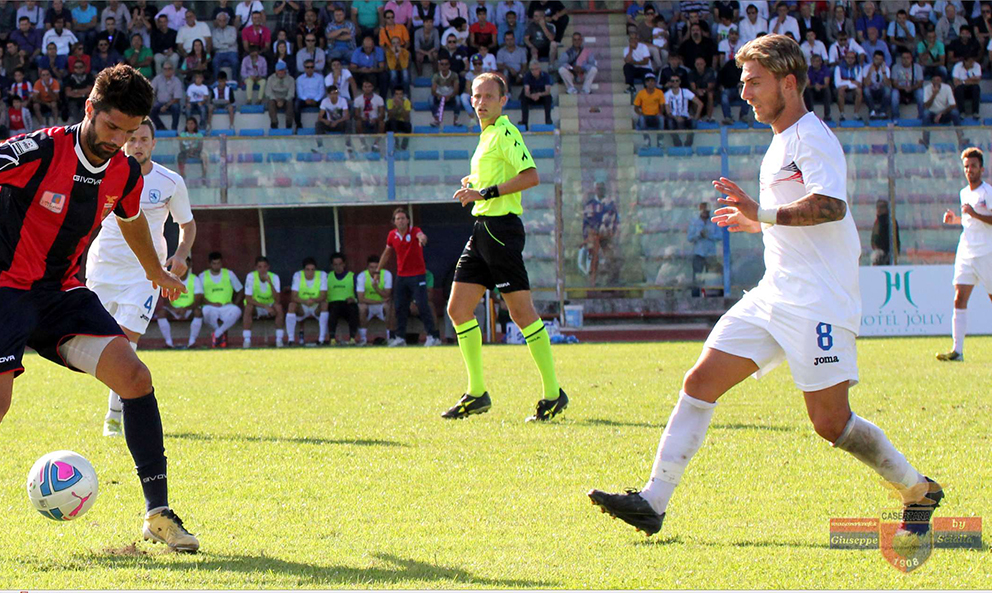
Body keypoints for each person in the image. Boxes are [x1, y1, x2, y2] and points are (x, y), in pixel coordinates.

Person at [589, 34, 943, 540]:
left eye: (754, 82)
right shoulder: (780, 141)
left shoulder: (811, 138)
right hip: (774, 293)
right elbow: (798, 214)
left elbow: (831, 206)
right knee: (700, 382)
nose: (745, 92)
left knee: (830, 423)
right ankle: (653, 501)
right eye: (743, 82)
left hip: (819, 302)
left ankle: (917, 489)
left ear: (788, 83)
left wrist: (764, 213)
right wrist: (760, 223)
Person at [0, 65, 200, 559]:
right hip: (2, 289)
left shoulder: (124, 171)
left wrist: (155, 270)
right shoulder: (39, 150)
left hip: (61, 294)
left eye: (130, 131)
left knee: (135, 377)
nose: (118, 140)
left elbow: (131, 217)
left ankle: (158, 514)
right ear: (90, 109)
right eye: (111, 126)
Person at [443, 71, 567, 422]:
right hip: (483, 229)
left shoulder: (505, 131)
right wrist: (476, 182)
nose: (481, 102)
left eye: (488, 96)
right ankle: (477, 393)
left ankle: (553, 394)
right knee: (458, 309)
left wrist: (484, 192)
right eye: (476, 96)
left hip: (501, 231)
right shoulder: (487, 135)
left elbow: (531, 176)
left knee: (522, 314)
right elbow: (496, 176)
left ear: (503, 101)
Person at [86, 117, 195, 435]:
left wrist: (180, 255)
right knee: (99, 343)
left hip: (145, 274)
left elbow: (187, 224)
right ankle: (117, 406)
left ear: (153, 144)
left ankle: (114, 417)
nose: (137, 145)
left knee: (126, 342)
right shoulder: (104, 172)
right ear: (123, 142)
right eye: (132, 139)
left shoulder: (170, 181)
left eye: (144, 140)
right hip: (103, 269)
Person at [937, 148, 992, 362]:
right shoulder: (964, 193)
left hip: (986, 252)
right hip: (966, 251)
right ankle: (957, 351)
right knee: (959, 297)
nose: (970, 170)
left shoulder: (987, 192)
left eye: (973, 166)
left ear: (982, 169)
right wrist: (955, 220)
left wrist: (974, 213)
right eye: (966, 167)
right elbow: (969, 221)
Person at [375, 208, 441, 347]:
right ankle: (400, 337)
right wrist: (377, 271)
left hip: (417, 275)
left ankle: (433, 336)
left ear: (408, 220)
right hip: (401, 276)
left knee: (422, 304)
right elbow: (387, 253)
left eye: (403, 218)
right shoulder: (392, 235)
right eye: (398, 219)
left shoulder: (414, 231)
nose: (401, 221)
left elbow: (421, 236)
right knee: (399, 306)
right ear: (394, 222)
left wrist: (422, 239)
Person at [190, 252, 244, 348]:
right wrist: (211, 303)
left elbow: (240, 290)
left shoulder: (229, 274)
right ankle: (219, 334)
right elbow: (200, 295)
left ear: (221, 263)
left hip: (226, 306)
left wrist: (234, 303)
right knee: (205, 311)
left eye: (218, 263)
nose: (216, 266)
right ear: (210, 264)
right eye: (214, 263)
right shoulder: (203, 276)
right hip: (210, 307)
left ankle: (217, 334)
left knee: (237, 311)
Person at [242, 255, 286, 348]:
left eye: (265, 267)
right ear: (256, 268)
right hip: (257, 306)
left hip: (270, 305)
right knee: (248, 307)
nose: (262, 269)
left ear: (268, 267)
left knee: (278, 307)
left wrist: (270, 283)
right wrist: (265, 307)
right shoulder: (251, 276)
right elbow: (248, 298)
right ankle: (247, 340)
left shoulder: (274, 277)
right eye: (260, 267)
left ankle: (279, 340)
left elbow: (277, 299)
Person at [285, 257, 329, 346]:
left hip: (316, 305)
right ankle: (290, 340)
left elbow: (323, 296)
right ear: (304, 270)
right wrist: (305, 301)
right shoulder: (298, 275)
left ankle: (321, 339)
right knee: (291, 305)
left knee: (325, 304)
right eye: (308, 269)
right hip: (302, 306)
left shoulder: (322, 275)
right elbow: (293, 296)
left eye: (313, 270)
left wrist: (313, 300)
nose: (310, 272)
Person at [325, 252, 361, 345]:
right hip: (333, 304)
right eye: (335, 265)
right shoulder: (327, 277)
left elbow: (360, 292)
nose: (338, 267)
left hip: (348, 303)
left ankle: (352, 338)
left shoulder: (352, 276)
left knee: (353, 310)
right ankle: (332, 338)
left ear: (344, 264)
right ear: (332, 266)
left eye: (340, 264)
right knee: (333, 311)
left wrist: (354, 299)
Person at [686, 202, 720, 297]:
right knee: (697, 278)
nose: (705, 212)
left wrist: (708, 236)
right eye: (703, 210)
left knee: (712, 277)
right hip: (699, 254)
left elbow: (720, 236)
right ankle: (696, 298)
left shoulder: (714, 222)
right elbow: (690, 238)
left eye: (706, 210)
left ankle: (711, 297)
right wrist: (699, 235)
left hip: (711, 254)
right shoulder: (694, 222)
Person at [266, 61, 296, 129]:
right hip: (274, 99)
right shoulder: (270, 79)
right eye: (279, 70)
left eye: (282, 70)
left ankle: (289, 124)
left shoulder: (291, 79)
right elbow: (268, 92)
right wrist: (276, 100)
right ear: (276, 71)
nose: (281, 72)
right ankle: (274, 123)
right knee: (271, 103)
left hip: (286, 98)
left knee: (290, 103)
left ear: (285, 70)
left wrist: (283, 100)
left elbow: (291, 93)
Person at [869, 198, 899, 266]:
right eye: (877, 207)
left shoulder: (889, 221)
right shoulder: (877, 222)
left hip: (886, 254)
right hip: (879, 253)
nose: (879, 209)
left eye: (882, 207)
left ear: (887, 209)